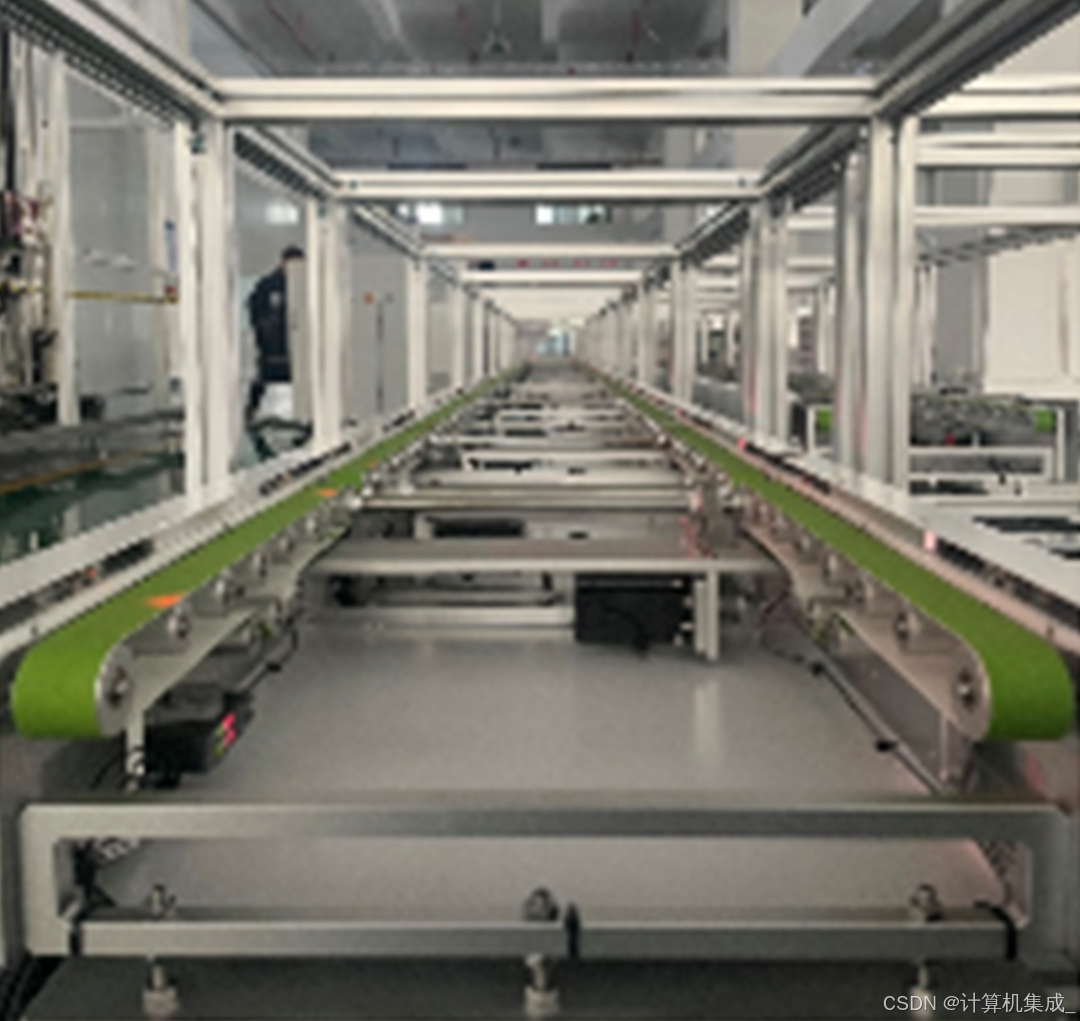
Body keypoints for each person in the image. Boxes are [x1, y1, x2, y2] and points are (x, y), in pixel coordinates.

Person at [246, 245, 304, 423]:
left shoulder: (306, 286)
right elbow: (255, 311)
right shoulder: (268, 285)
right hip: (273, 349)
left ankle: (306, 418)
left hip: (299, 348)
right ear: (283, 262)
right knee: (261, 381)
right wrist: (265, 334)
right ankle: (249, 414)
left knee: (304, 383)